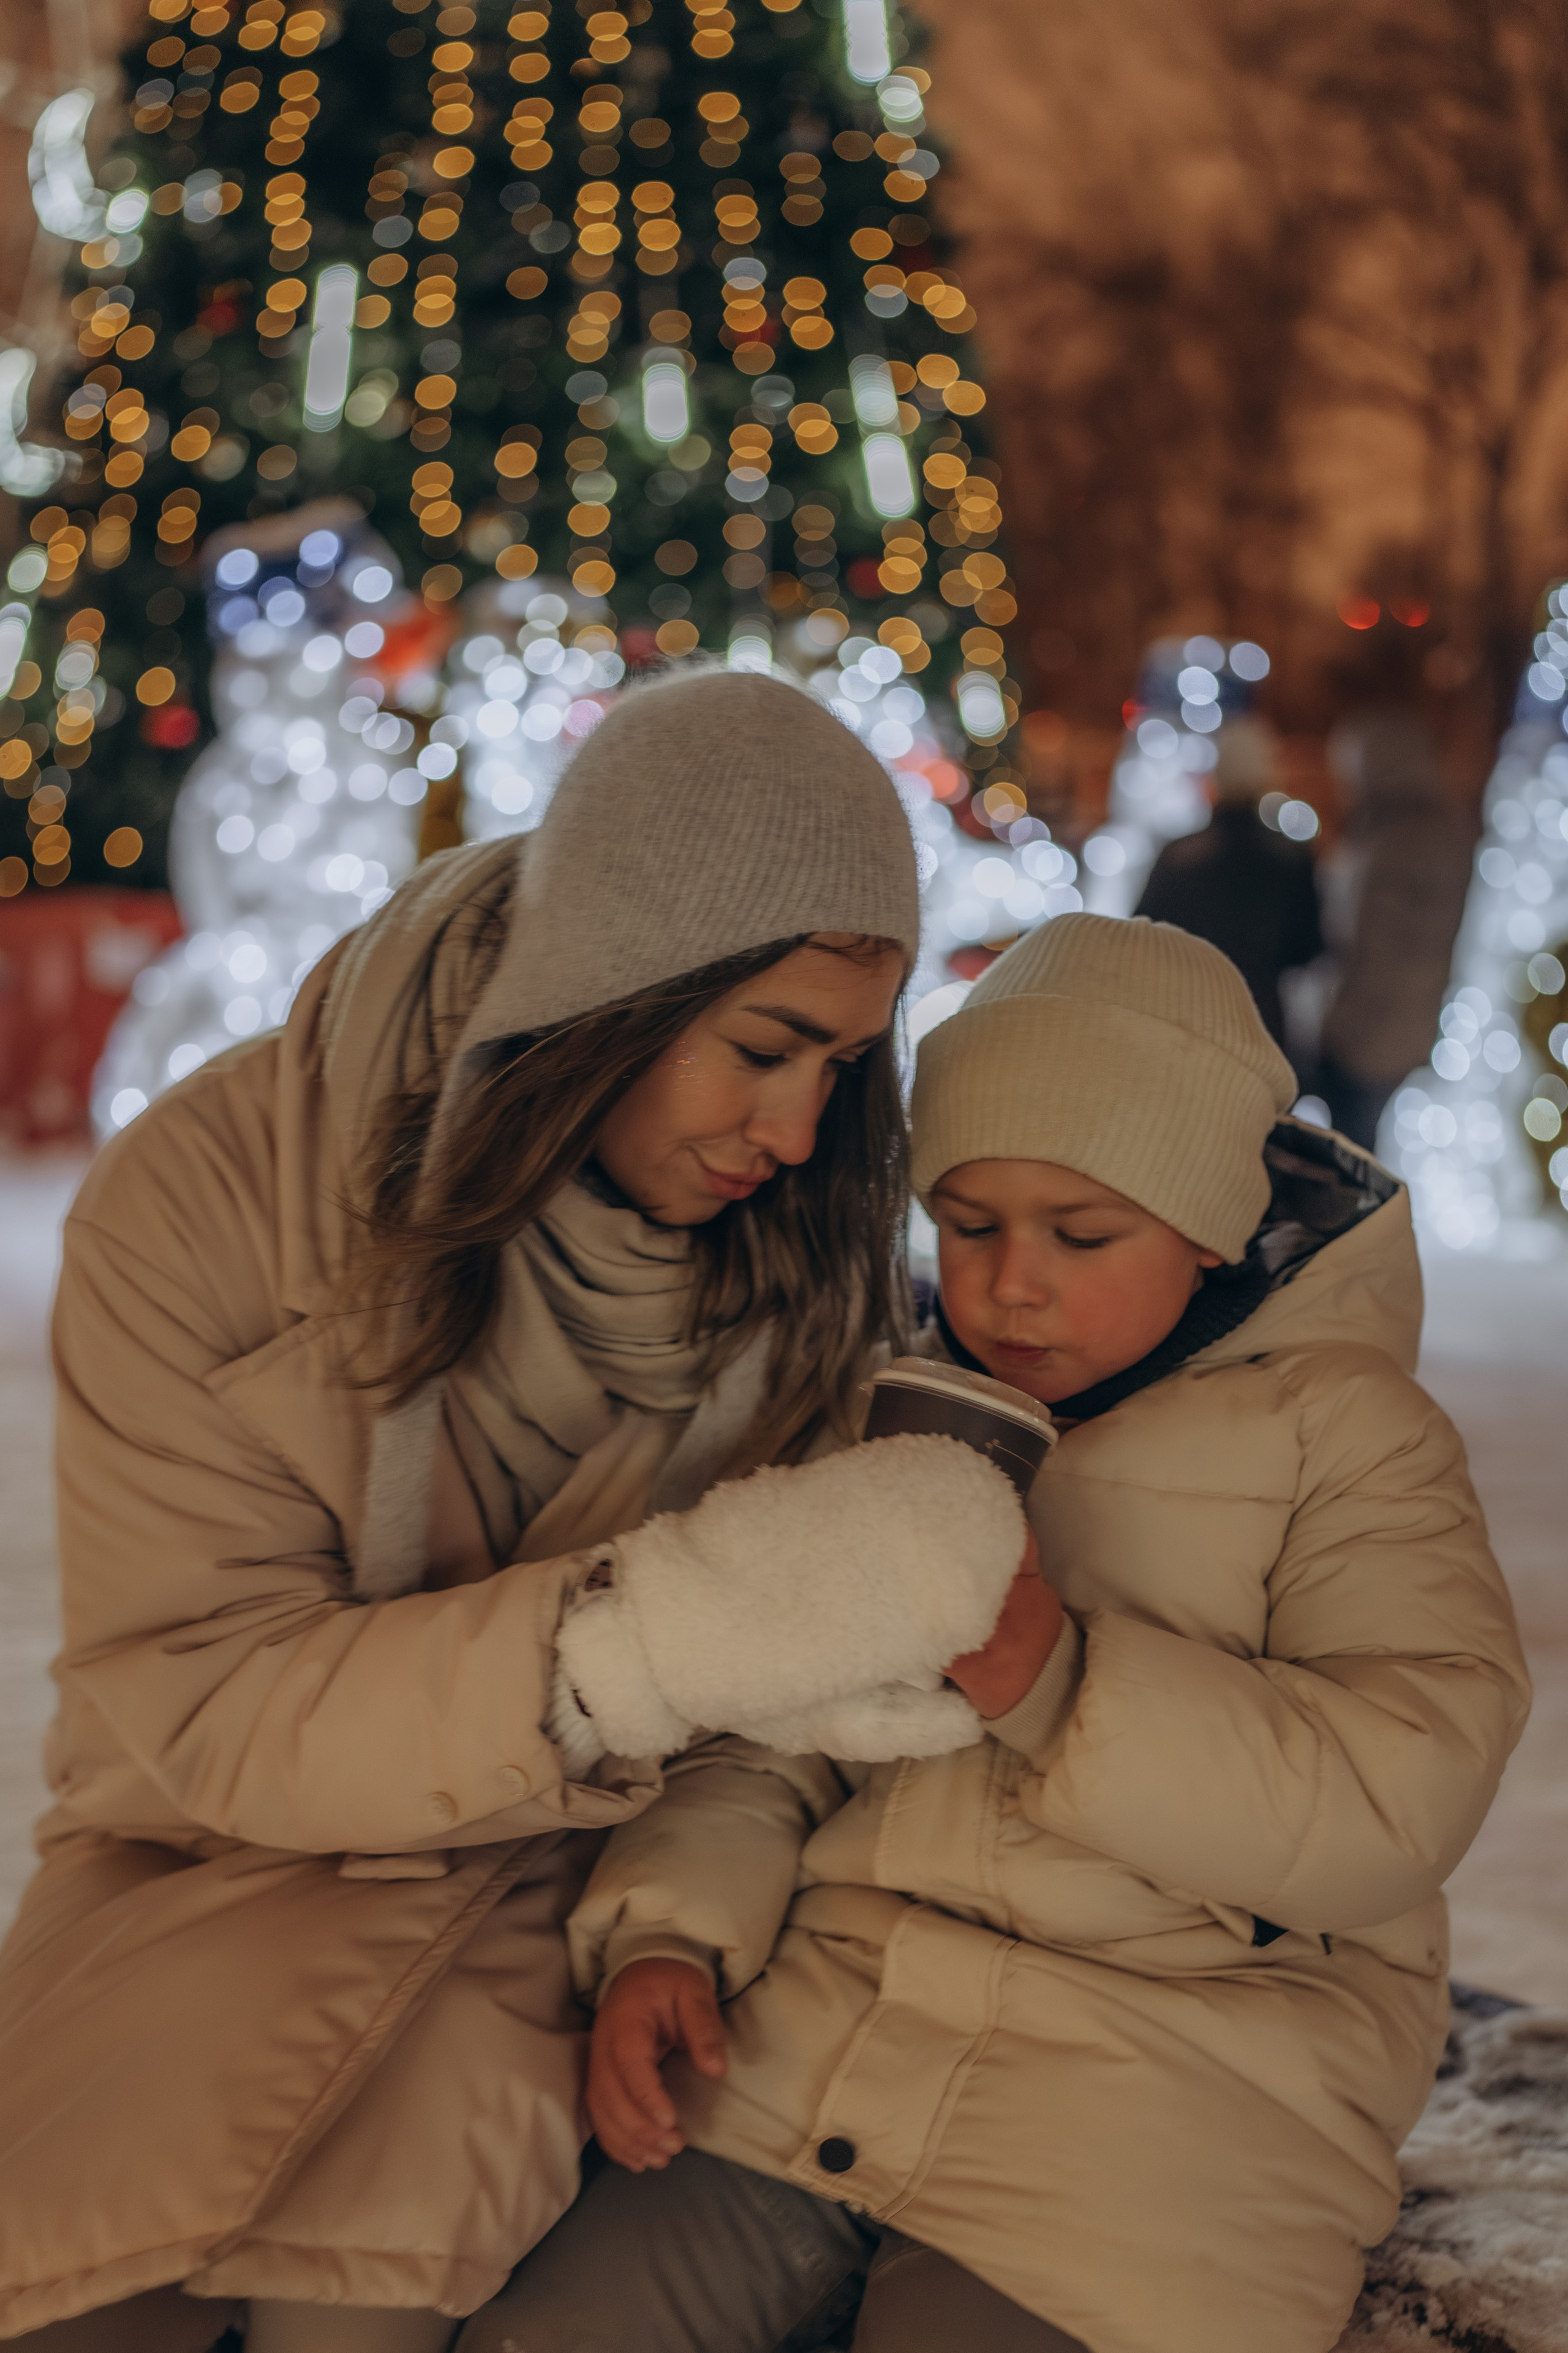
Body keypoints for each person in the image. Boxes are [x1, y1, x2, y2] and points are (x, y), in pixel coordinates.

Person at [0, 670, 1015, 2352]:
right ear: (612, 985)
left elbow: (780, 1738)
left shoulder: (813, 1266)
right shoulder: (217, 1201)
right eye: (762, 1050)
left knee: (371, 2300)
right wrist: (646, 1640)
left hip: (571, 1907)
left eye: (842, 1063)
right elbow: (204, 1696)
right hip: (211, 1870)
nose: (800, 1126)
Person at [472, 914, 1531, 2353]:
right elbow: (766, 1725)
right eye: (967, 1224)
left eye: (1078, 1233)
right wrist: (669, 1930)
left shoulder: (1345, 1439)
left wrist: (1057, 1678)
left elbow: (1390, 1794)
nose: (1009, 1282)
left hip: (1172, 2103)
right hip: (821, 2045)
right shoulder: (904, 1407)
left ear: (1212, 1218)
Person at [1314, 709, 1472, 1149]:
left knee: (1351, 1162)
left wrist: (1337, 1028)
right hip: (1410, 1022)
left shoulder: (1396, 840)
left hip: (1370, 1032)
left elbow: (1371, 945)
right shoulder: (1444, 826)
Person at [1134, 716, 1322, 1052]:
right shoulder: (1291, 859)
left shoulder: (1177, 856)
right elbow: (1307, 948)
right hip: (1261, 1025)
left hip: (1185, 1023)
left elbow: (1142, 936)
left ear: (1216, 776)